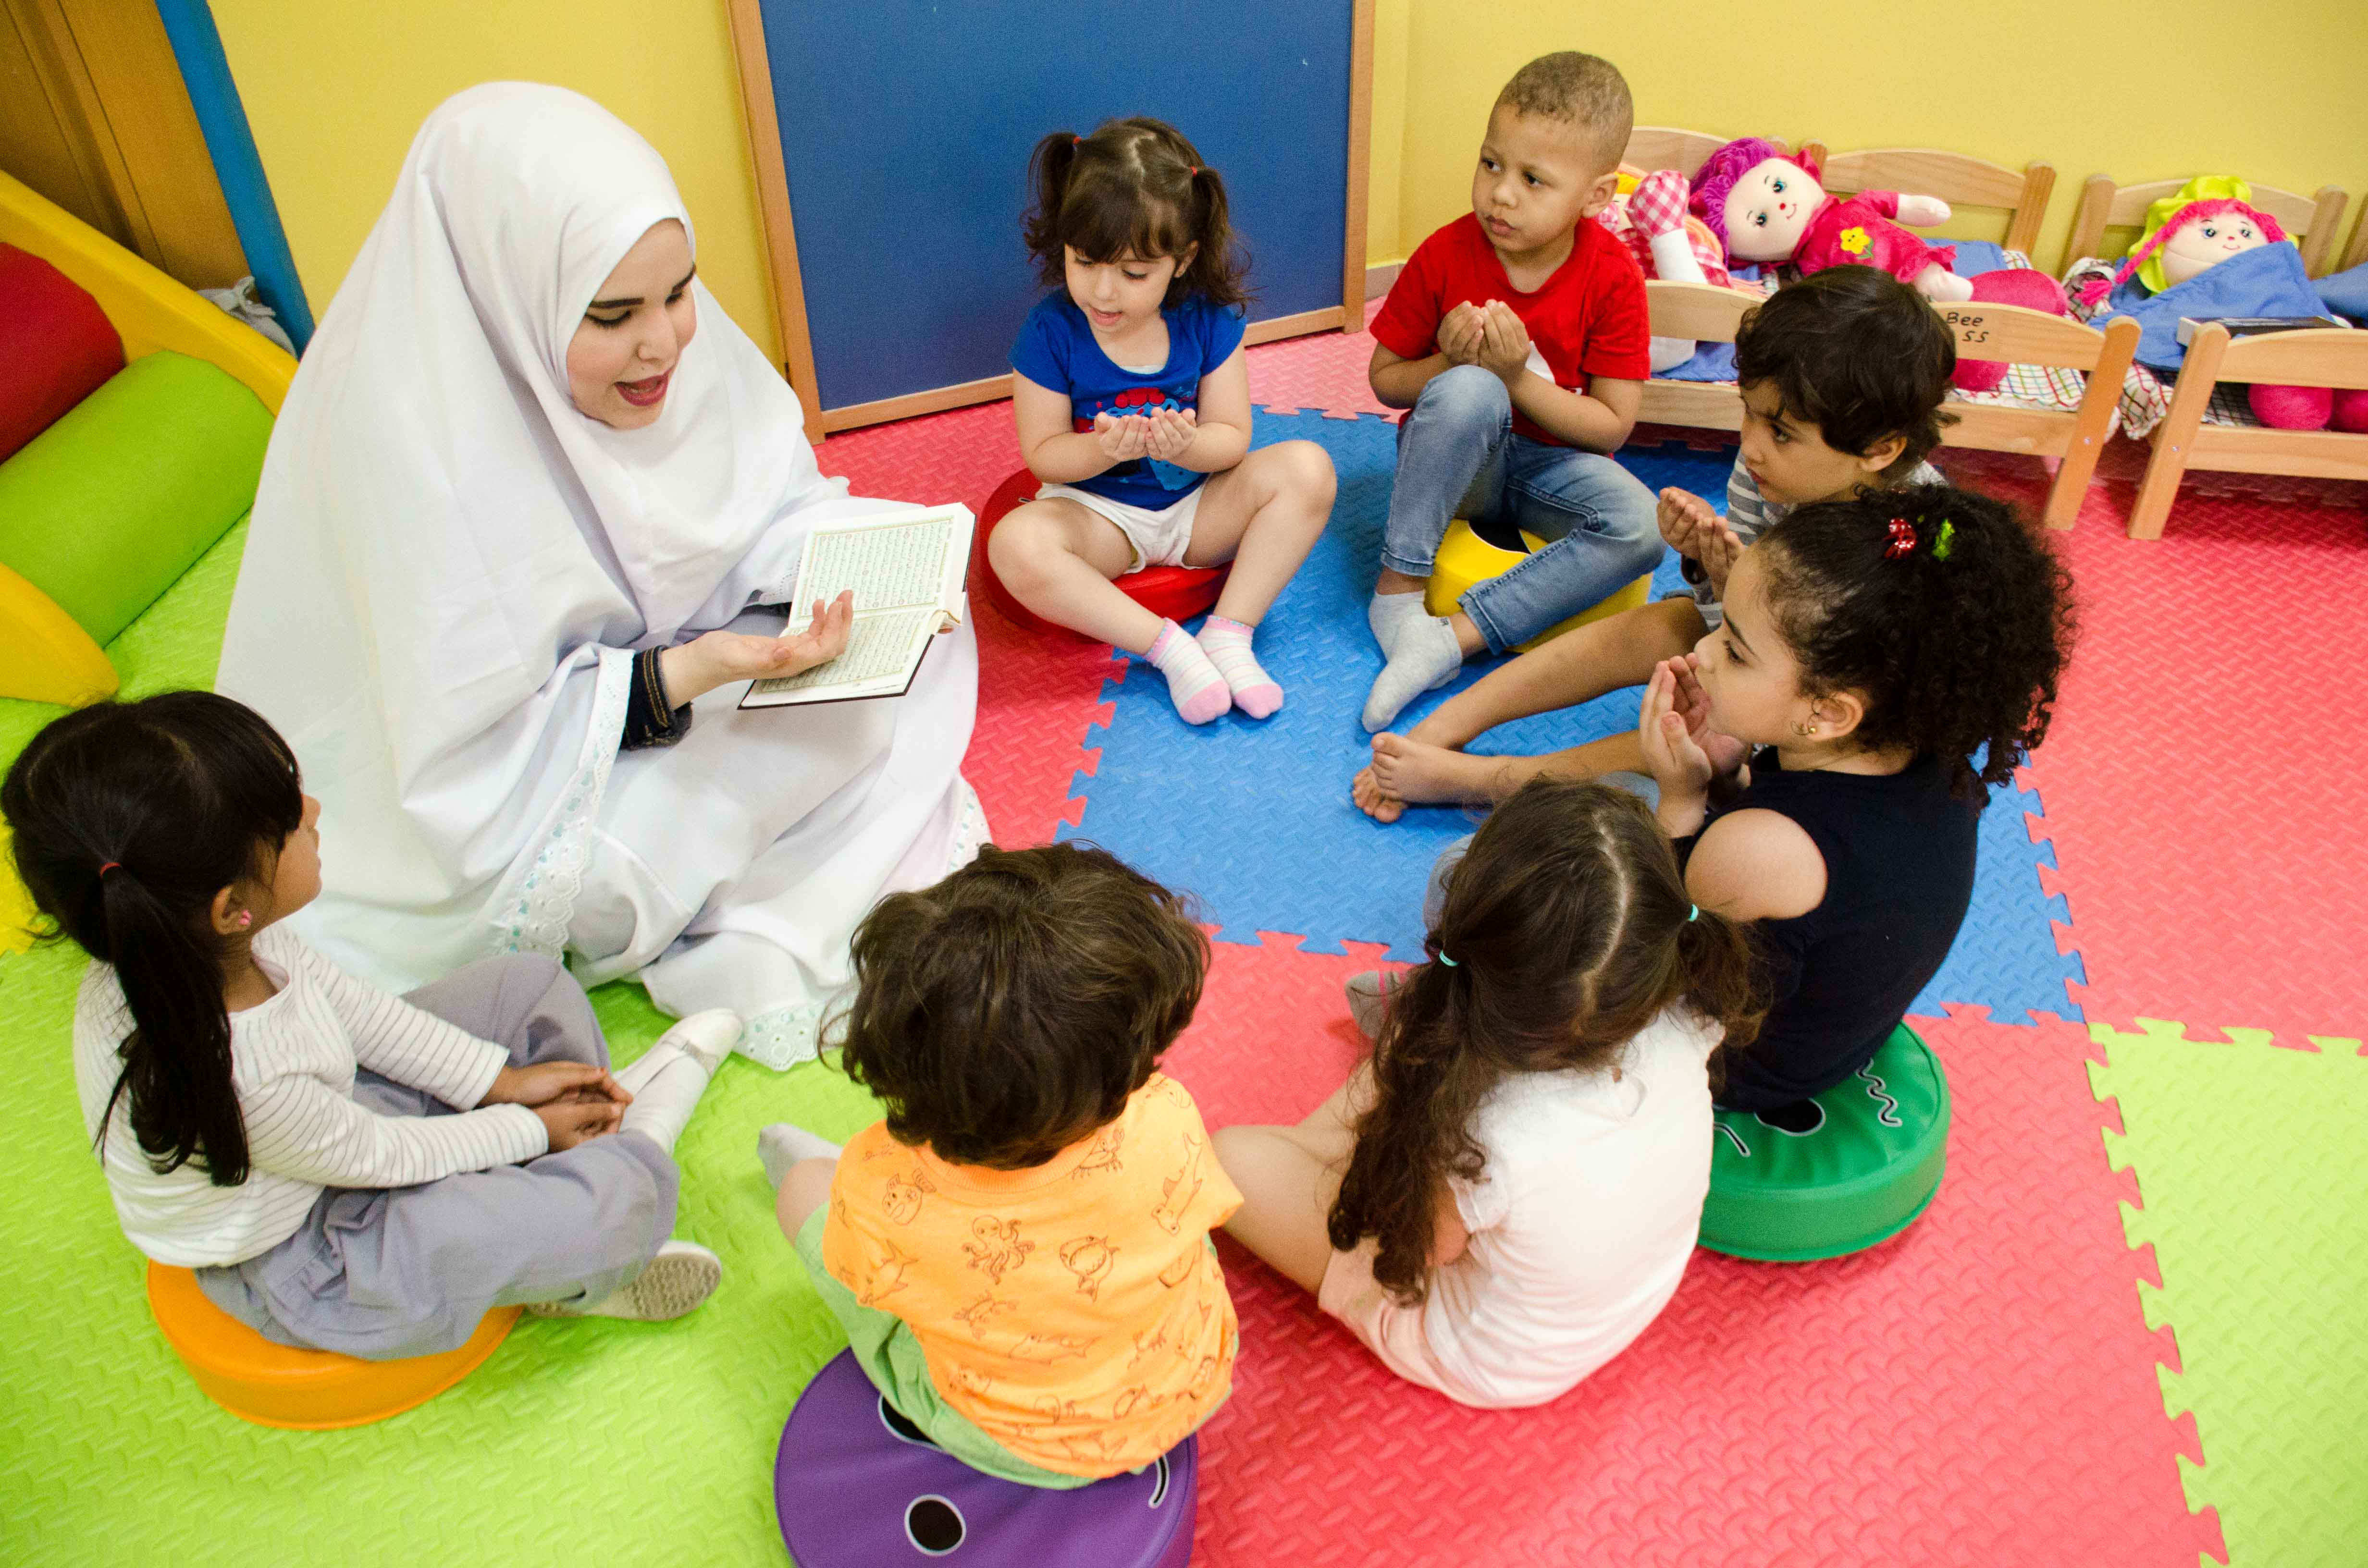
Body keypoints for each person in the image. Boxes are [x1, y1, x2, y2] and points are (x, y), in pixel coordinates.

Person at [214, 84, 982, 1071]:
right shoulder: (408, 448)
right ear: (510, 294)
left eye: (679, 294)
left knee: (915, 599)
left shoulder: (664, 352)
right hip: (543, 785)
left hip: (680, 665)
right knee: (648, 856)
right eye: (614, 316)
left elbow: (751, 501)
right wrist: (691, 671)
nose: (662, 342)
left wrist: (836, 579)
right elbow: (474, 776)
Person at [6, 693, 741, 1358]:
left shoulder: (205, 942)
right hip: (311, 1251)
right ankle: (621, 1162)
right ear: (233, 904)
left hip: (333, 1129)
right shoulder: (250, 1078)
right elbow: (380, 1156)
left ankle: (580, 1143)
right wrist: (529, 1128)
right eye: (291, 817)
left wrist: (502, 1083)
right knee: (621, 1204)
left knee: (532, 984)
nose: (316, 809)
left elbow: (358, 1014)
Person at [1213, 779, 1761, 1408]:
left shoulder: (1488, 1134)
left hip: (1493, 1358)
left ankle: (1322, 1147)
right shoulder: (1688, 1011)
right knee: (1401, 1066)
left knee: (1231, 1156)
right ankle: (1334, 1144)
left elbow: (1426, 1251)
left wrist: (1385, 1162)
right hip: (1625, 1301)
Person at [1355, 265, 1957, 820]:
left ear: (1880, 450)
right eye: (1749, 413)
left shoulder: (1909, 538)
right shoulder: (1767, 468)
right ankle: (1443, 727)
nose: (1750, 445)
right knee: (1659, 625)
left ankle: (1483, 779)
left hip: (1819, 706)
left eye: (1780, 431)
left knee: (1707, 741)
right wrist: (1708, 567)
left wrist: (1737, 591)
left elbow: (1809, 680)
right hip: (1757, 642)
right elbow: (1728, 617)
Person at [760, 844, 1239, 1485]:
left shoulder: (878, 1185)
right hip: (1191, 1373)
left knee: (801, 1187)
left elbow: (870, 1283)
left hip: (1021, 1446)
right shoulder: (1165, 1111)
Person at [1637, 485, 2073, 1121]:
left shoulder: (1759, 848)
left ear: (1830, 713)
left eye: (1733, 649)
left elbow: (1658, 968)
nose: (1702, 653)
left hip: (1730, 1066)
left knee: (1493, 869)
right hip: (1830, 1024)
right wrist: (1727, 781)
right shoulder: (1921, 754)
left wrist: (1680, 803)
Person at [991, 117, 1335, 724]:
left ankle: (1229, 634)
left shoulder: (1207, 322)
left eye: (1132, 274)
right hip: (1098, 518)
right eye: (1083, 262)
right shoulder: (1050, 330)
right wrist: (1101, 452)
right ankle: (1170, 649)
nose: (1102, 292)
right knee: (1014, 545)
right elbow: (1043, 453)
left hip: (1196, 510)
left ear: (1182, 261)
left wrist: (1189, 446)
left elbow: (1232, 441)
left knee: (1309, 469)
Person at [1361, 51, 1661, 734]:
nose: (1501, 193)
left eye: (1534, 179)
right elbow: (1385, 381)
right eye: (1491, 163)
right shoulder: (1444, 253)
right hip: (1461, 461)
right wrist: (1451, 365)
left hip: (1557, 468)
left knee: (1643, 529)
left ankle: (1452, 640)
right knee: (1469, 392)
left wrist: (1516, 375)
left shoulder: (1613, 277)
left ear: (1595, 197)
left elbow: (1612, 427)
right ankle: (1398, 596)